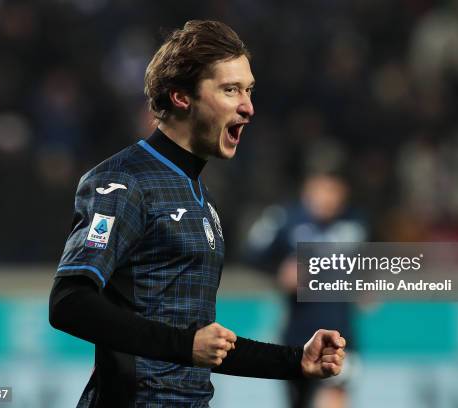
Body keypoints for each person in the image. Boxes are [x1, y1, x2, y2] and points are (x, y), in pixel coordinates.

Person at [49, 20, 346, 407]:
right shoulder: (124, 181)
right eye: (230, 90)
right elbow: (69, 302)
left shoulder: (201, 198)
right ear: (181, 96)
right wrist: (186, 344)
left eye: (249, 90)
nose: (248, 107)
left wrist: (295, 361)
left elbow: (202, 342)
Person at [246, 163, 366, 408]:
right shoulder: (285, 220)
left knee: (333, 398)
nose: (326, 197)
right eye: (320, 189)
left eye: (333, 190)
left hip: (340, 335)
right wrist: (280, 271)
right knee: (298, 401)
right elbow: (252, 255)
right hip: (298, 335)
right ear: (307, 190)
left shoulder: (355, 224)